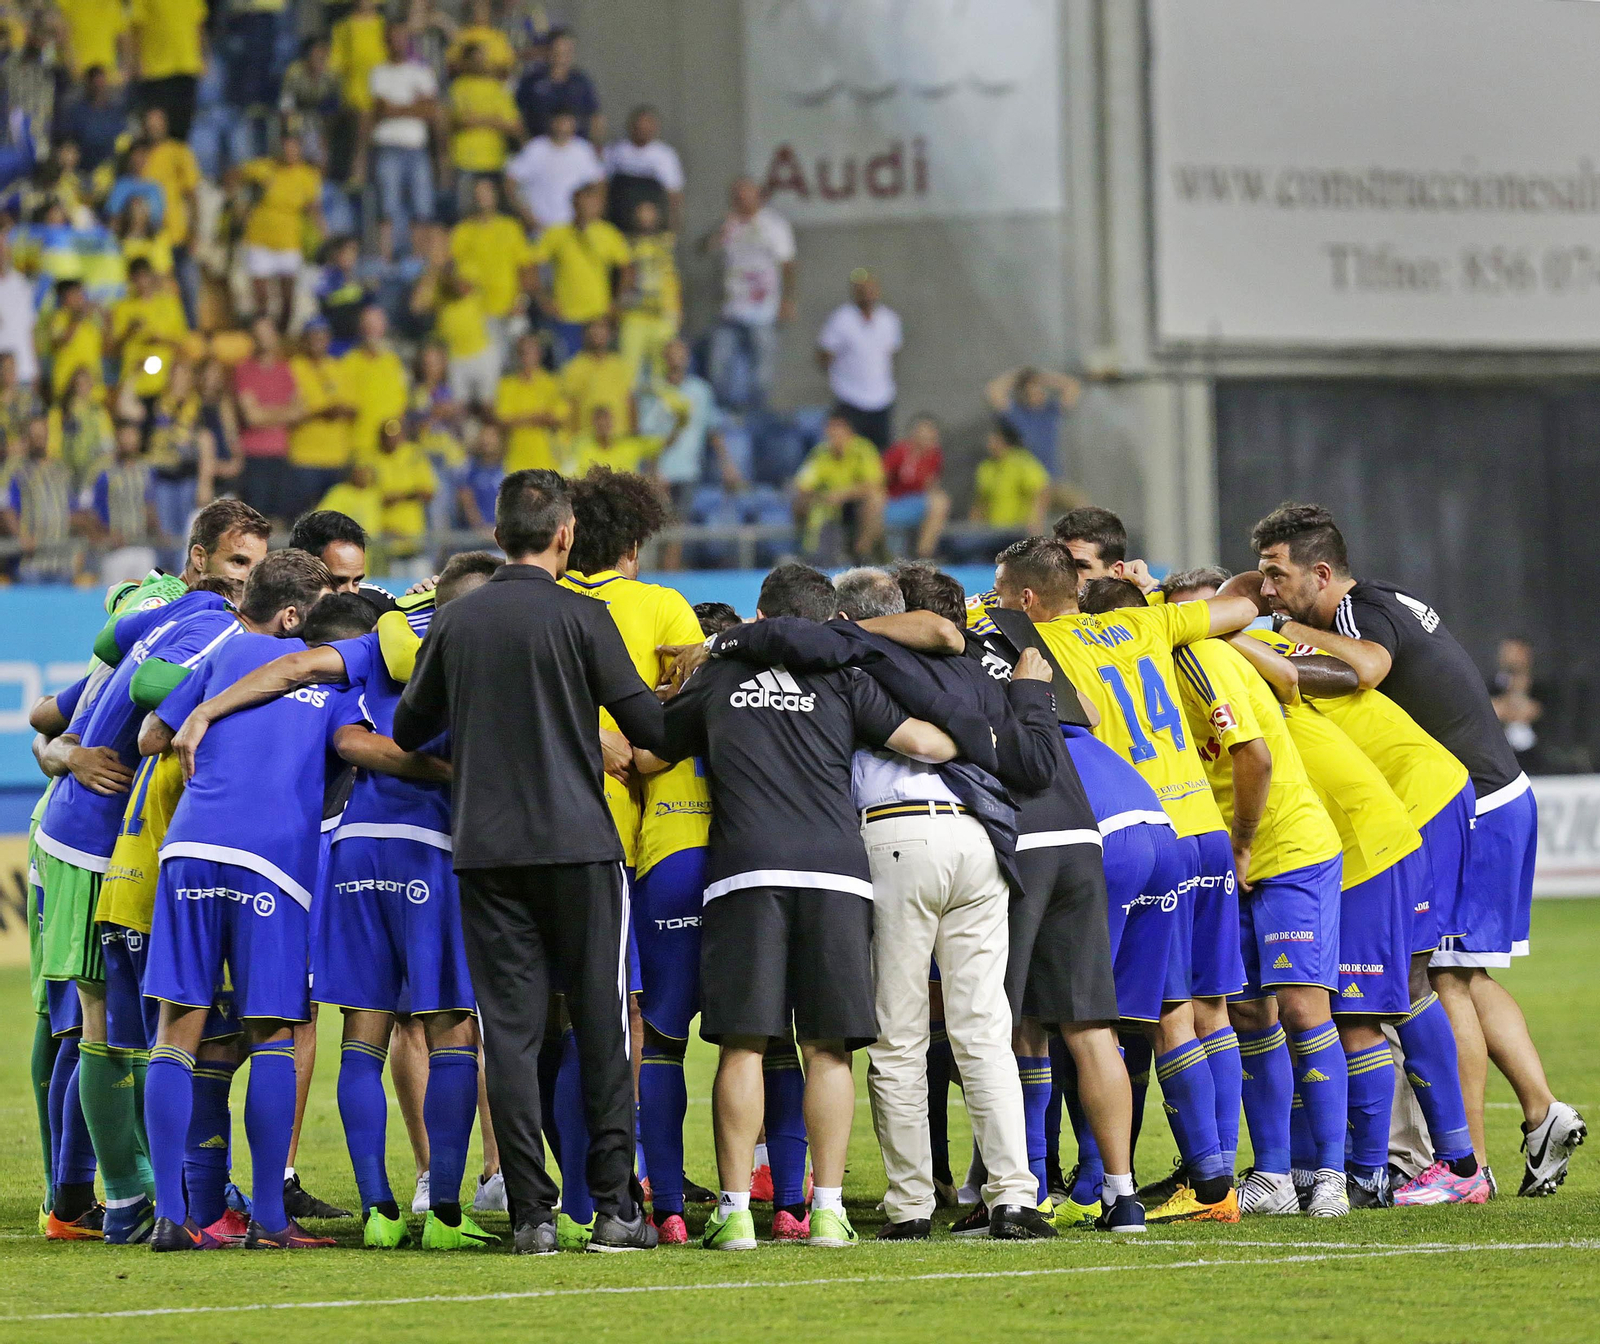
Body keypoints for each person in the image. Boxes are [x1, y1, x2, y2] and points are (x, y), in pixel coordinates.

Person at [1243, 502, 1584, 1197]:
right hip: (1489, 796)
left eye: (1278, 575)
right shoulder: (1383, 599)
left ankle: (1466, 1169)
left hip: (1471, 803)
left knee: (1441, 981)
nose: (1270, 590)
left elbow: (1367, 669)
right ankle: (1540, 1112)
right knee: (1462, 974)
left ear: (1322, 573)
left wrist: (1284, 633)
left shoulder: (1353, 615)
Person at [168, 553, 503, 1249]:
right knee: (450, 1031)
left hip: (353, 848)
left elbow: (317, 699)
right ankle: (444, 1213)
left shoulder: (376, 645)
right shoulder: (484, 650)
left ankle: (376, 1211)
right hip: (431, 846)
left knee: (361, 1033)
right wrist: (460, 771)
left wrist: (205, 710)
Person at [393, 468, 670, 1254]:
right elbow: (650, 728)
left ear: (497, 533)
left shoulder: (457, 621)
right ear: (565, 535)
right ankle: (615, 1210)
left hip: (487, 853)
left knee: (509, 1035)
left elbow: (409, 730)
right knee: (602, 1025)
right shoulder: (583, 615)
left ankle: (530, 1218)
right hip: (580, 847)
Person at [649, 563, 957, 1250]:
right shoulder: (844, 676)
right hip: (837, 874)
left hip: (746, 871)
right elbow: (926, 743)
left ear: (760, 616)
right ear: (828, 621)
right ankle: (828, 1211)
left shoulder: (718, 676)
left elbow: (653, 748)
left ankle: (734, 1213)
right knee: (828, 1049)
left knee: (743, 1045)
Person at [991, 537, 1258, 1223]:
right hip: (1193, 828)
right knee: (1188, 1011)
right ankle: (1213, 1181)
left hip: (1110, 825)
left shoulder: (1033, 644)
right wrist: (1158, 590)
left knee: (1070, 1017)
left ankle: (1079, 1185)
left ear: (1025, 600)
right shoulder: (1148, 621)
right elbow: (1242, 605)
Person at [1210, 580, 1488, 1208]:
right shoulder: (1252, 656)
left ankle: (1386, 1170)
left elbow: (1335, 673)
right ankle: (1434, 1162)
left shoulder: (1249, 656)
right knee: (1406, 989)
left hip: (1377, 827)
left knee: (1364, 1006)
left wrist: (1216, 631)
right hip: (1385, 817)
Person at [1086, 575, 1351, 1218]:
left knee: (1302, 1008)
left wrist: (1243, 844)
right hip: (1222, 848)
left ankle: (1334, 1177)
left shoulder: (1200, 656)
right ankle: (1272, 1177)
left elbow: (1253, 756)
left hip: (1281, 846)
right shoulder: (1152, 655)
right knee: (1248, 1012)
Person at [136, 550, 342, 1251]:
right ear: (291, 615)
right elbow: (355, 748)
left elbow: (151, 736)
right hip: (272, 864)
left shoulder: (219, 655)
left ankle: (171, 1217)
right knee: (273, 1031)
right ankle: (272, 1222)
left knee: (178, 1029)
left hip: (189, 847)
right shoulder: (327, 674)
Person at [33, 574, 245, 1246]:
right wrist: (72, 754)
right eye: (238, 564)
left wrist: (66, 748)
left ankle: (128, 1192)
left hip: (104, 840)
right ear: (203, 562)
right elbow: (106, 715)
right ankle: (108, 1196)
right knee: (93, 1027)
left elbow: (54, 713)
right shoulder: (205, 626)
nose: (246, 580)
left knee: (112, 1028)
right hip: (92, 842)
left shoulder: (155, 628)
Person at [704, 177, 796, 411]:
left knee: (761, 373)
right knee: (719, 367)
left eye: (746, 195)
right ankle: (725, 414)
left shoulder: (773, 225)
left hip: (762, 309)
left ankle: (756, 416)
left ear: (758, 197)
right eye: (737, 196)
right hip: (730, 308)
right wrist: (720, 232)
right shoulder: (728, 225)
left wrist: (787, 300)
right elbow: (704, 249)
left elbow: (787, 264)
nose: (741, 200)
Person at [530, 182, 631, 365]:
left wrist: (616, 302)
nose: (586, 207)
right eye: (582, 202)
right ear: (574, 204)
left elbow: (626, 270)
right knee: (568, 369)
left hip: (598, 316)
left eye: (591, 202)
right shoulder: (557, 233)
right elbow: (532, 265)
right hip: (567, 314)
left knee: (599, 369)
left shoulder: (609, 234)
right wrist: (544, 300)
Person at [365, 24, 439, 259]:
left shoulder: (421, 71)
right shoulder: (378, 72)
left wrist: (396, 108)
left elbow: (430, 110)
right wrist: (414, 105)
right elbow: (381, 109)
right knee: (387, 207)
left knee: (422, 207)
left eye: (402, 38)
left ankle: (419, 262)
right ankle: (386, 260)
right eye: (393, 38)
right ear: (386, 41)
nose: (398, 42)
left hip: (416, 147)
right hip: (387, 146)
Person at [237, 133, 324, 327]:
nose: (289, 152)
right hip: (259, 237)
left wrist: (322, 234)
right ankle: (263, 331)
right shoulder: (265, 168)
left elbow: (313, 208)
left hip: (288, 240)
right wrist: (246, 197)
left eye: (294, 148)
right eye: (286, 147)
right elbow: (236, 174)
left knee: (287, 296)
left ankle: (282, 333)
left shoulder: (308, 176)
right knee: (261, 295)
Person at [816, 269, 902, 450]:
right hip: (850, 398)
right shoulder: (841, 319)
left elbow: (891, 352)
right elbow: (824, 354)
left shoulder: (889, 320)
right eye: (862, 290)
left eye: (870, 289)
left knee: (880, 453)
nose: (867, 294)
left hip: (881, 399)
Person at [450, 176, 534, 358]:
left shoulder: (511, 227)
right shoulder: (462, 231)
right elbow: (454, 270)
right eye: (478, 193)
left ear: (496, 196)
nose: (482, 197)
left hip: (509, 308)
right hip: (477, 313)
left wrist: (521, 301)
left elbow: (525, 267)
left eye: (486, 192)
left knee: (514, 359)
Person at [792, 411, 885, 562]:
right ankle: (807, 550)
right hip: (828, 501)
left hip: (855, 502)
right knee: (800, 501)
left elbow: (874, 484)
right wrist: (821, 495)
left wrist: (842, 494)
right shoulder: (820, 452)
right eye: (830, 429)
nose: (834, 433)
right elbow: (803, 484)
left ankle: (862, 552)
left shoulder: (863, 449)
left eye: (838, 428)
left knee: (876, 499)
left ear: (849, 431)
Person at [233, 315, 302, 520]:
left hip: (282, 454)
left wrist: (266, 412)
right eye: (259, 333)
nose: (263, 338)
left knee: (281, 520)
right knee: (255, 520)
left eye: (267, 333)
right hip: (254, 456)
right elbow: (252, 417)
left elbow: (299, 411)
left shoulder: (285, 370)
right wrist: (284, 412)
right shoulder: (244, 370)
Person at [138, 106, 200, 324]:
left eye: (158, 123)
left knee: (187, 288)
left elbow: (192, 195)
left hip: (177, 234)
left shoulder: (178, 151)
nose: (153, 128)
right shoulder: (138, 154)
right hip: (148, 237)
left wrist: (194, 232)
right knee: (154, 291)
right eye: (149, 123)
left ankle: (191, 334)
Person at [289, 318, 357, 505]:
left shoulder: (339, 367)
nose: (318, 341)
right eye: (313, 336)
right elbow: (290, 411)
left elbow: (354, 406)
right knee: (304, 514)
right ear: (304, 339)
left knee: (334, 515)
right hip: (304, 457)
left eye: (322, 336)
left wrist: (342, 410)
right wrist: (322, 412)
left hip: (337, 457)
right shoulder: (293, 368)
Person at [447, 42, 520, 213]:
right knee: (465, 212)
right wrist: (493, 119)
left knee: (495, 212)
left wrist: (479, 119)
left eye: (483, 58)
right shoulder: (459, 87)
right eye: (475, 59)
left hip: (494, 160)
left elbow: (513, 125)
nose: (480, 62)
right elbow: (460, 120)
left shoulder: (497, 87)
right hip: (466, 160)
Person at [506, 105, 603, 233]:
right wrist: (525, 215)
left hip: (573, 230)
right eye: (559, 121)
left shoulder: (583, 150)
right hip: (539, 229)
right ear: (551, 122)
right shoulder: (535, 149)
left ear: (574, 124)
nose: (563, 126)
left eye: (567, 122)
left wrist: (590, 216)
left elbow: (599, 184)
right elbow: (510, 182)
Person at [287, 507, 399, 610]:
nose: (351, 594)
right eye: (338, 581)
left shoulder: (379, 604)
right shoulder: (278, 612)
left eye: (356, 581)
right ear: (301, 572)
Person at [618, 199, 680, 383]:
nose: (646, 216)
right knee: (628, 372)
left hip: (663, 314)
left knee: (661, 371)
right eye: (642, 211)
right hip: (633, 315)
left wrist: (677, 311)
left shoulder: (666, 241)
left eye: (650, 211)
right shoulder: (625, 243)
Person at [984, 366, 1083, 479]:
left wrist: (1041, 378)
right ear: (1023, 394)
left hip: (1049, 477)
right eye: (1030, 392)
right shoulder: (1015, 413)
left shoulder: (1051, 410)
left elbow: (1072, 385)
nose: (1036, 395)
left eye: (1039, 391)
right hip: (1023, 478)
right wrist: (1018, 376)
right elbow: (993, 391)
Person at [340, 305, 410, 461]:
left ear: (384, 328)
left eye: (375, 326)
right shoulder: (349, 362)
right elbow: (345, 404)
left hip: (391, 447)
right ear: (360, 329)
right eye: (367, 325)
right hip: (360, 445)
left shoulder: (393, 361)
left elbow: (402, 404)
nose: (371, 330)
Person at [130, 0, 206, 140]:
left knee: (182, 126)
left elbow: (198, 24)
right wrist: (136, 61)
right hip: (156, 70)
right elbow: (136, 27)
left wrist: (201, 56)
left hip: (186, 67)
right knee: (155, 128)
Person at [603, 105, 684, 234]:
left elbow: (673, 194)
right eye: (639, 126)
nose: (643, 129)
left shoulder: (665, 155)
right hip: (618, 220)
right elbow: (604, 185)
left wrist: (673, 224)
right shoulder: (615, 150)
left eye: (648, 125)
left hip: (652, 225)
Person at [495, 330, 568, 472]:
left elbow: (557, 417)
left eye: (531, 351)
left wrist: (518, 418)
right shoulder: (507, 384)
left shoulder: (552, 383)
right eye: (522, 352)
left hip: (548, 461)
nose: (526, 356)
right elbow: (503, 420)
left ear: (539, 354)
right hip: (515, 462)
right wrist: (540, 416)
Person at [880, 414, 949, 560]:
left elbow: (931, 487)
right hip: (892, 502)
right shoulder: (899, 452)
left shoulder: (934, 456)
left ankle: (924, 555)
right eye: (923, 433)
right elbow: (880, 479)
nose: (927, 438)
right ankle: (866, 552)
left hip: (916, 503)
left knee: (940, 502)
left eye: (931, 434)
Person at [514, 27, 599, 140]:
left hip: (575, 145)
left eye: (567, 51)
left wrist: (593, 144)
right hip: (540, 144)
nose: (562, 56)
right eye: (558, 50)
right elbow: (518, 116)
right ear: (548, 51)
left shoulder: (581, 82)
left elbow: (595, 117)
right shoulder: (532, 81)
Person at [370, 416, 437, 561]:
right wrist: (409, 494)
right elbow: (373, 498)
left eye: (396, 435)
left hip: (414, 533)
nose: (392, 440)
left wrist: (400, 496)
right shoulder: (373, 458)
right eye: (387, 436)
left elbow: (428, 492)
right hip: (386, 533)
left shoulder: (414, 454)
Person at [970, 418, 1050, 539]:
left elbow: (1042, 490)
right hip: (991, 531)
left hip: (1016, 531)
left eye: (993, 439)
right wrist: (973, 528)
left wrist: (1034, 521)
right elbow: (980, 501)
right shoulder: (986, 466)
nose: (988, 443)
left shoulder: (1021, 461)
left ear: (1002, 440)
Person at [559, 318, 633, 437]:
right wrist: (574, 439)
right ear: (584, 334)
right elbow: (571, 407)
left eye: (602, 328)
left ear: (609, 334)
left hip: (619, 437)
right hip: (587, 439)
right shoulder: (573, 367)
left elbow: (629, 401)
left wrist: (632, 435)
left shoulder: (620, 365)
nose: (597, 333)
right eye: (593, 329)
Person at [1490, 638, 1547, 773]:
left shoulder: (1542, 690)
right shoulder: (1488, 688)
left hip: (1538, 762)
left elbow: (1534, 711)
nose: (1513, 659)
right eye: (1509, 653)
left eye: (1518, 653)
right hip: (1501, 762)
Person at [569, 404, 659, 478]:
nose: (603, 424)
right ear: (593, 423)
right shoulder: (581, 446)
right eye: (599, 421)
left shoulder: (628, 445)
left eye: (606, 421)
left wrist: (653, 471)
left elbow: (658, 446)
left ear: (612, 422)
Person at [0, 233, 39, 387]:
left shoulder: (22, 284)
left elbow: (29, 328)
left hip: (23, 373)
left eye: (4, 248)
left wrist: (34, 368)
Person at [457, 420, 505, 531]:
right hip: (477, 534)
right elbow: (467, 501)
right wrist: (480, 527)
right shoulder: (469, 470)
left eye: (491, 436)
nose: (487, 441)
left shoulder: (508, 467)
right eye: (484, 436)